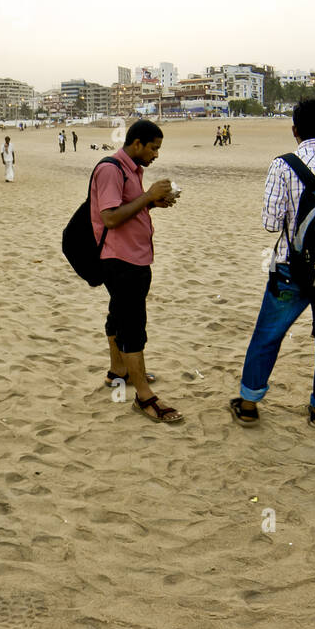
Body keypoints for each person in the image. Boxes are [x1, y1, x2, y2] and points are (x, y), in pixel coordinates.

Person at [232, 99, 315, 427]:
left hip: (291, 268)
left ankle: (249, 403)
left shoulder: (283, 165)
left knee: (268, 334)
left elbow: (270, 222)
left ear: (294, 130)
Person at [90, 119, 184, 423]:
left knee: (118, 315)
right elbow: (111, 218)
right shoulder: (110, 169)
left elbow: (127, 207)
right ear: (137, 144)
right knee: (133, 324)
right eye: (154, 148)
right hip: (120, 259)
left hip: (134, 257)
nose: (156, 154)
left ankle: (118, 372)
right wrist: (147, 197)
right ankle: (144, 398)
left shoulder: (132, 170)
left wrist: (152, 203)